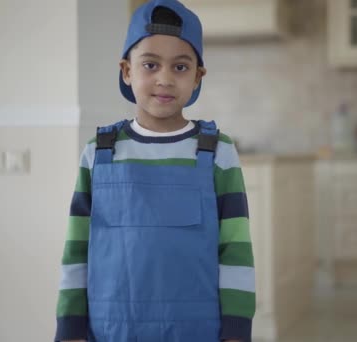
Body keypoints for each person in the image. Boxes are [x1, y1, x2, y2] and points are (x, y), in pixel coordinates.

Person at [53, 1, 255, 341]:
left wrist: (236, 329)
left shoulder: (219, 151)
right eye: (150, 64)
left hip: (197, 329)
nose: (164, 79)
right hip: (111, 328)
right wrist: (70, 325)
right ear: (127, 71)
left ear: (197, 77)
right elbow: (76, 248)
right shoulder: (99, 152)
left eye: (180, 67)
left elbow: (236, 249)